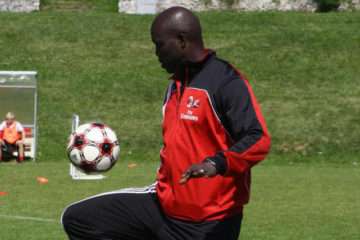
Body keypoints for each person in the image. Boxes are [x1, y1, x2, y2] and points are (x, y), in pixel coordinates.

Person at [62, 6, 271, 240]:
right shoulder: (174, 86)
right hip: (163, 211)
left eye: (159, 44)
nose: (156, 53)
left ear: (182, 40)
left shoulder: (225, 81)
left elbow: (258, 138)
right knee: (79, 219)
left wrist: (216, 163)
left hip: (213, 222)